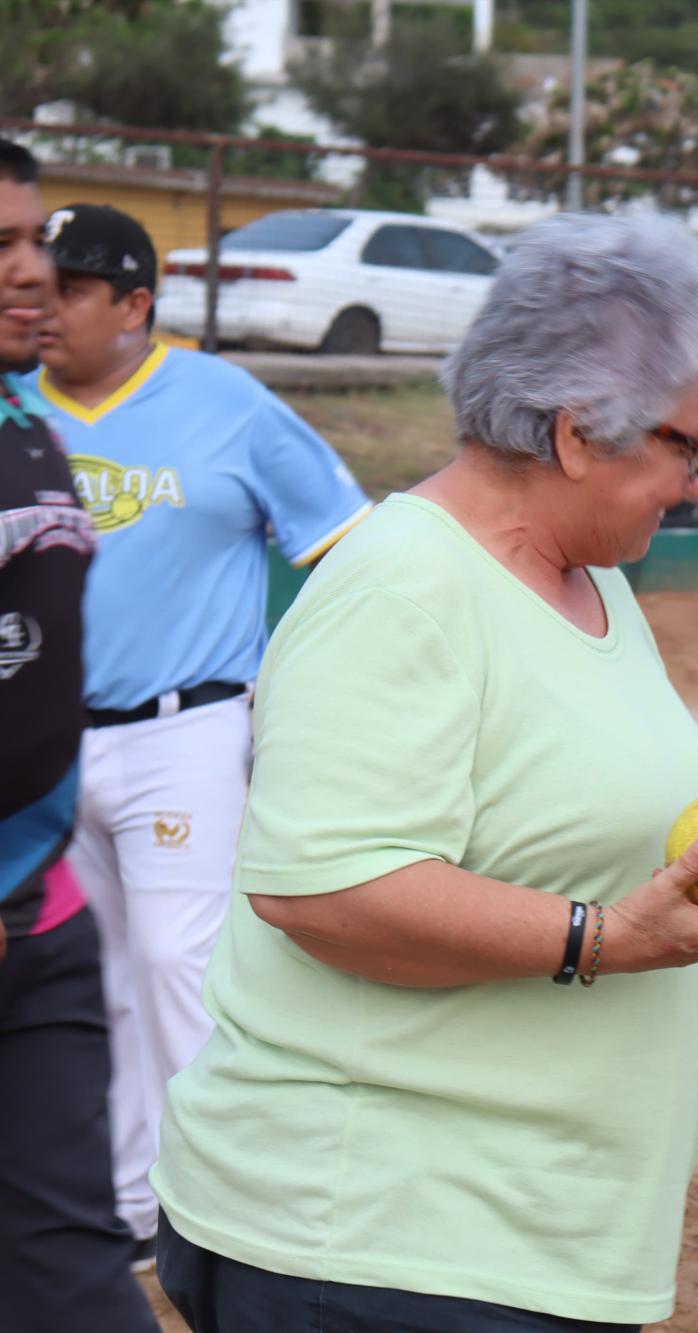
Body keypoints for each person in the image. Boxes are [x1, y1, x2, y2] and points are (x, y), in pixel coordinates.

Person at [149, 213, 698, 1331]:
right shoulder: (404, 587)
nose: (695, 480)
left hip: (518, 1239)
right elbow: (326, 890)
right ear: (578, 433)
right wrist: (599, 941)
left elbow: (596, 856)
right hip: (378, 1247)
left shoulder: (589, 580)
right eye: (684, 444)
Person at [33, 201, 373, 1257]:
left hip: (183, 730)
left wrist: (310, 697)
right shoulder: (9, 405)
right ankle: (136, 1204)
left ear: (136, 303)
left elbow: (344, 544)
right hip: (41, 742)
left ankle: (216, 1213)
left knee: (182, 962)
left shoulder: (226, 402)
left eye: (71, 288)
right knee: (93, 976)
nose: (41, 306)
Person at [0, 138, 157, 1332]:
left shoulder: (28, 430)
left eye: (35, 243)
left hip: (35, 926)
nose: (34, 275)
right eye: (2, 248)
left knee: (77, 1281)